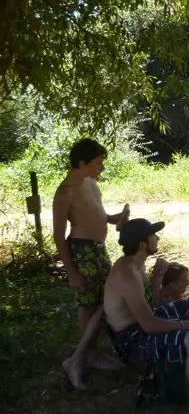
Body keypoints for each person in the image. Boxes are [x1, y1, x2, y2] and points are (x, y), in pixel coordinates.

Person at [104, 219, 189, 414]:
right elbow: (149, 325)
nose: (157, 238)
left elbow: (152, 305)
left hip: (142, 323)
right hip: (133, 338)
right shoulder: (128, 274)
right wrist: (188, 325)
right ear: (142, 244)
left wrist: (158, 277)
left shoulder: (135, 264)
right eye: (153, 236)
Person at [54, 138, 130, 389]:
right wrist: (71, 271)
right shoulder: (65, 191)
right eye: (98, 163)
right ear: (82, 162)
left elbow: (95, 212)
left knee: (104, 303)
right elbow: (58, 236)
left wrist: (112, 219)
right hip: (82, 252)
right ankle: (81, 358)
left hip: (98, 250)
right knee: (90, 307)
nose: (102, 167)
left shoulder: (91, 182)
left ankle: (91, 354)